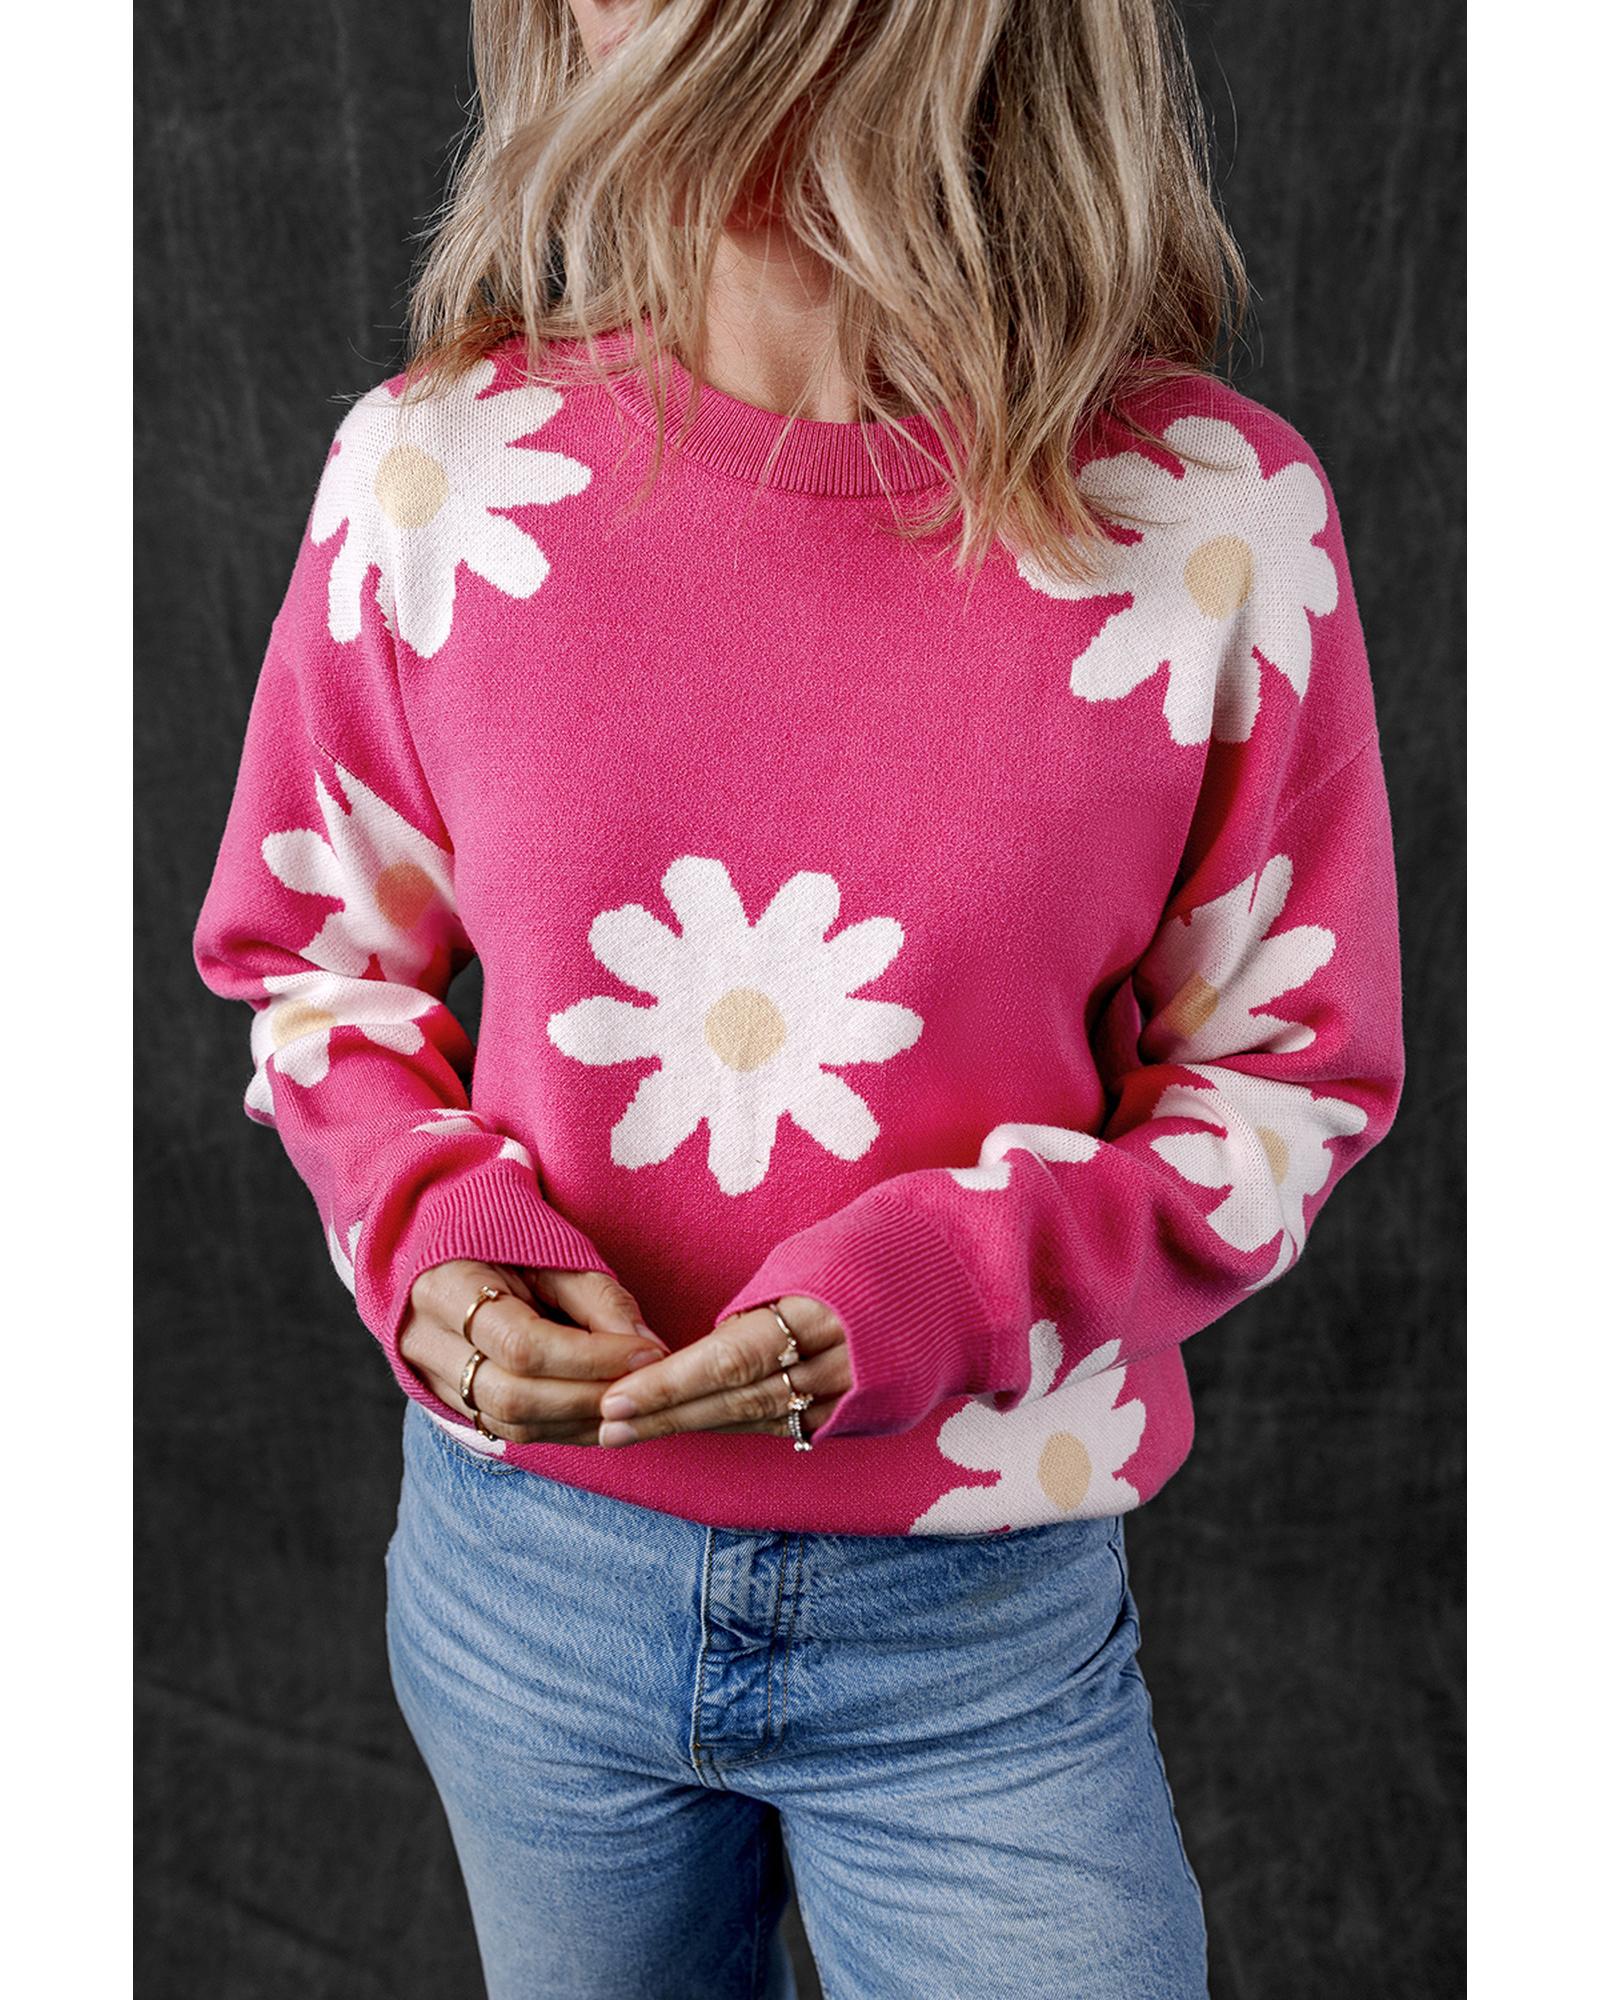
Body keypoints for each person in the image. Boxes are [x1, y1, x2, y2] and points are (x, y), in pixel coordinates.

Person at [191, 1, 1406, 1993]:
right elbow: (311, 958)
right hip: (531, 1588)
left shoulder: (1209, 526)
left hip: (976, 1628)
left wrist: (954, 1281)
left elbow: (1284, 1085)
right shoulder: (435, 475)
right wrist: (432, 1234)